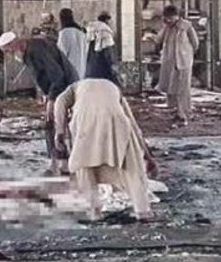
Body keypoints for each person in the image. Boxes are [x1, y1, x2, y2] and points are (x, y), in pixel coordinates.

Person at [54, 79, 153, 221]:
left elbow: (59, 102)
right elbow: (133, 124)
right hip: (117, 121)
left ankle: (93, 212)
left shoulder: (73, 88)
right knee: (132, 169)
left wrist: (60, 133)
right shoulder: (113, 88)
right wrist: (147, 156)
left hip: (85, 121)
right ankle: (142, 211)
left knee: (84, 166)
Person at [0, 31, 79, 175]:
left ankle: (65, 163)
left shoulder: (37, 49)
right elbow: (42, 76)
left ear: (14, 43)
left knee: (57, 125)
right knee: (51, 124)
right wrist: (45, 94)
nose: (10, 54)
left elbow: (57, 75)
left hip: (65, 87)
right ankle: (57, 161)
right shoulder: (28, 51)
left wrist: (52, 99)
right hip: (56, 89)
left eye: (9, 50)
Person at [155, 5, 199, 126]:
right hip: (170, 62)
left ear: (176, 16)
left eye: (170, 18)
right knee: (172, 88)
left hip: (183, 62)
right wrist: (164, 27)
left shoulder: (186, 26)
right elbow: (158, 40)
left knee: (183, 89)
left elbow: (195, 43)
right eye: (166, 18)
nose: (168, 20)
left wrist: (187, 54)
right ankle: (177, 111)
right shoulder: (167, 28)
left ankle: (184, 114)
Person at [85, 11, 120, 86]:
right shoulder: (105, 31)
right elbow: (108, 51)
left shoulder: (90, 30)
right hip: (103, 67)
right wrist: (113, 66)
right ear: (106, 20)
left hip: (90, 68)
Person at [56, 8, 87, 79]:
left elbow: (61, 54)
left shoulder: (64, 33)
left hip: (69, 72)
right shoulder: (81, 33)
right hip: (82, 70)